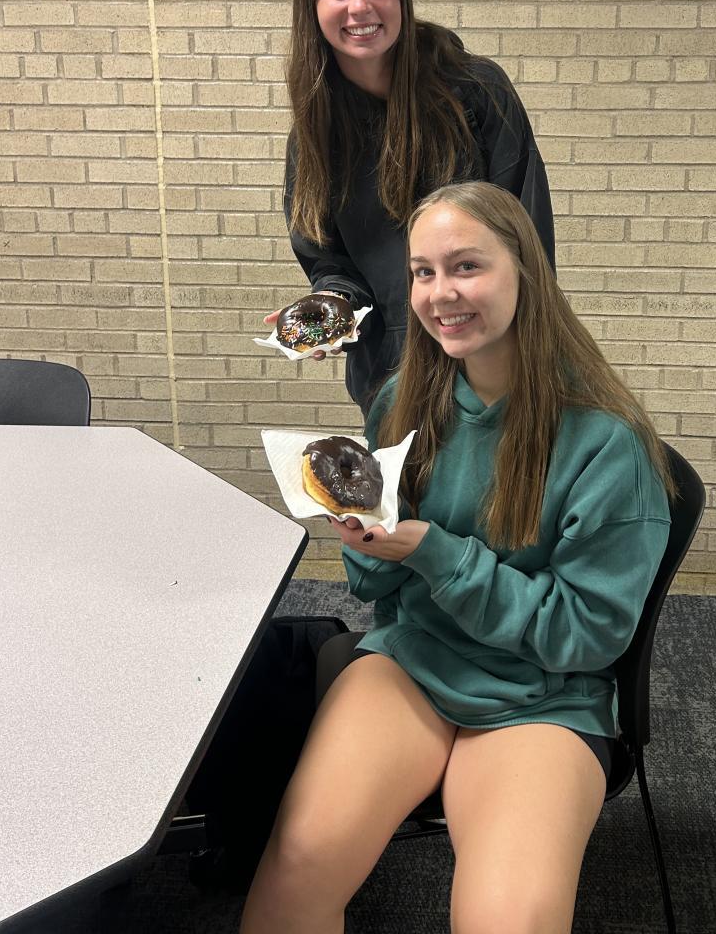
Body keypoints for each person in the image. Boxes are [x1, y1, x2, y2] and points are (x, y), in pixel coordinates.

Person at [241, 182, 672, 934]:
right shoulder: (403, 400)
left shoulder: (606, 444)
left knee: (506, 920)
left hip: (541, 694)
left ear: (524, 272)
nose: (441, 294)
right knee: (300, 864)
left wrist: (438, 554)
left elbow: (588, 636)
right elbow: (377, 588)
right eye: (423, 272)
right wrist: (371, 543)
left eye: (466, 266)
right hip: (414, 659)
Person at [270, 0, 554, 416]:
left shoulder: (476, 93)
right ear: (311, 6)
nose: (361, 6)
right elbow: (331, 263)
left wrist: (522, 368)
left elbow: (528, 242)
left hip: (493, 377)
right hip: (389, 384)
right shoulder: (314, 134)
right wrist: (331, 310)